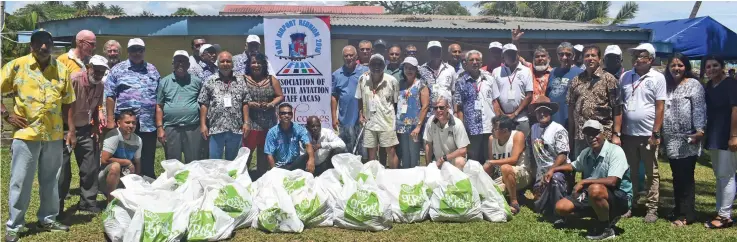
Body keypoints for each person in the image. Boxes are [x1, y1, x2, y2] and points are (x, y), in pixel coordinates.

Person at [2, 29, 74, 240]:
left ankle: (48, 218)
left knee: (51, 179)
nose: (44, 46)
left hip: (53, 134)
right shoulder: (17, 66)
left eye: (47, 43)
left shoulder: (61, 69)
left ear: (52, 45)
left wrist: (70, 131)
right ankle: (14, 225)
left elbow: (69, 102)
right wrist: (6, 115)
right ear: (31, 45)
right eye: (39, 42)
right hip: (26, 134)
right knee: (21, 181)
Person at [551, 120, 632, 240]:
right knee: (561, 207)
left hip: (619, 196)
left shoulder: (615, 151)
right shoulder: (586, 152)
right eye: (588, 134)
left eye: (595, 133)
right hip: (594, 193)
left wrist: (583, 182)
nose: (592, 137)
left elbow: (613, 181)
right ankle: (599, 215)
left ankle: (606, 228)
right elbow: (573, 166)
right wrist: (552, 169)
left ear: (603, 134)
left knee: (594, 188)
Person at [55, 30, 102, 215]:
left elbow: (97, 106)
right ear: (80, 42)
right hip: (64, 128)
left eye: (101, 71)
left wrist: (96, 126)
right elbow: (63, 102)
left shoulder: (98, 81)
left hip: (85, 127)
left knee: (90, 166)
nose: (94, 46)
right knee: (62, 171)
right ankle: (56, 208)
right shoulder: (65, 65)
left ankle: (88, 203)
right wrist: (70, 130)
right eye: (91, 43)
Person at [619, 43, 666, 222]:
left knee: (651, 172)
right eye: (635, 55)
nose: (637, 58)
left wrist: (656, 133)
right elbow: (621, 105)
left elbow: (660, 107)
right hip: (628, 134)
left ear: (651, 59)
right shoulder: (625, 77)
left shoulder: (657, 78)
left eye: (642, 55)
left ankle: (652, 208)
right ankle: (631, 205)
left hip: (648, 134)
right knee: (630, 172)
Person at [105, 38, 160, 179]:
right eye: (133, 50)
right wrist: (110, 120)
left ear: (144, 51)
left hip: (148, 124)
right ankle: (124, 186)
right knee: (125, 157)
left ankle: (147, 183)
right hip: (126, 124)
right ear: (128, 52)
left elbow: (159, 96)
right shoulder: (118, 70)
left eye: (140, 50)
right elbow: (110, 96)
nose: (137, 53)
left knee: (147, 157)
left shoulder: (152, 70)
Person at [662, 53, 705, 226]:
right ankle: (679, 209)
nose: (676, 68)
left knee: (686, 177)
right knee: (676, 175)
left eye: (680, 65)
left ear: (686, 67)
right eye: (673, 65)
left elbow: (700, 108)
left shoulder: (693, 85)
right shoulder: (667, 86)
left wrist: (700, 131)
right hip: (671, 138)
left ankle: (687, 215)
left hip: (689, 138)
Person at [566, 45, 622, 159]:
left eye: (593, 55)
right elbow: (571, 108)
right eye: (587, 56)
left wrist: (616, 134)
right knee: (582, 166)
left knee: (601, 167)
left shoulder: (609, 80)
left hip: (602, 135)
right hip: (581, 135)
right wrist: (571, 134)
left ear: (599, 59)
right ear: (582, 59)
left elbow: (617, 109)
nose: (590, 58)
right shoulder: (576, 81)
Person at [703, 55, 737, 229]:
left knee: (727, 175)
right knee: (720, 175)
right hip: (714, 136)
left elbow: (735, 109)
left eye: (715, 65)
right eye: (708, 67)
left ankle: (725, 216)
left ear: (722, 66)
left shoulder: (731, 84)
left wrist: (734, 136)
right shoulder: (709, 86)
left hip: (727, 136)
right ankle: (720, 210)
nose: (711, 69)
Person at [198, 51, 252, 161]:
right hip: (216, 127)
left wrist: (246, 122)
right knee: (215, 161)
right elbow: (204, 104)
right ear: (218, 64)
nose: (226, 63)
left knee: (232, 161)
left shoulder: (240, 81)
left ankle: (230, 178)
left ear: (232, 64)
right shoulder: (210, 81)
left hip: (235, 128)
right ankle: (216, 179)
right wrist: (203, 125)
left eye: (228, 61)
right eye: (222, 61)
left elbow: (245, 102)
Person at [155, 50, 204, 164]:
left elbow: (203, 105)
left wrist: (203, 125)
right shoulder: (164, 82)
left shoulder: (196, 82)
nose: (180, 64)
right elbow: (159, 106)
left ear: (188, 64)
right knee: (173, 162)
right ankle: (174, 182)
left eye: (183, 61)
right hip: (171, 128)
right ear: (173, 63)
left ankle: (192, 182)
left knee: (193, 162)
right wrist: (160, 128)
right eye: (177, 61)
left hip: (193, 127)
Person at [528, 96, 570, 220]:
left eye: (545, 111)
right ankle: (548, 203)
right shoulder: (534, 128)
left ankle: (560, 216)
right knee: (540, 208)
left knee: (555, 180)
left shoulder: (558, 129)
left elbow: (563, 155)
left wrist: (551, 171)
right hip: (541, 175)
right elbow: (531, 151)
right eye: (539, 111)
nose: (542, 114)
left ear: (550, 112)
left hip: (559, 171)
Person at [453, 50, 499, 162]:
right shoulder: (460, 81)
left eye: (477, 60)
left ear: (481, 62)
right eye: (471, 60)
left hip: (489, 125)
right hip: (472, 128)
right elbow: (459, 108)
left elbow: (495, 102)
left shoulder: (489, 78)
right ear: (466, 63)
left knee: (489, 158)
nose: (475, 62)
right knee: (473, 160)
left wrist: (498, 123)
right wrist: (462, 128)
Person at [356, 54, 400, 168]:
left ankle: (393, 176)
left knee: (391, 152)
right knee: (371, 154)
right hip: (369, 122)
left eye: (379, 64)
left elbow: (396, 103)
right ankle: (374, 179)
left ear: (384, 66)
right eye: (373, 64)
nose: (376, 66)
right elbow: (360, 99)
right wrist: (361, 115)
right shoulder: (362, 79)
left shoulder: (392, 81)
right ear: (369, 65)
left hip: (387, 122)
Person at [244, 53, 283, 179]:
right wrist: (250, 104)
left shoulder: (271, 79)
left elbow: (280, 96)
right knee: (247, 152)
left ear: (264, 65)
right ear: (249, 65)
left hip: (268, 122)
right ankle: (245, 176)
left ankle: (262, 177)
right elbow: (238, 98)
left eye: (259, 63)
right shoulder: (242, 79)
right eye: (253, 62)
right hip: (250, 121)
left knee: (264, 151)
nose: (256, 65)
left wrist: (271, 104)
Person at [484, 115, 531, 215]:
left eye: (495, 128)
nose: (492, 130)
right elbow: (491, 163)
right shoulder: (492, 139)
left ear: (505, 131)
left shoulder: (518, 135)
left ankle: (514, 202)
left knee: (505, 167)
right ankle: (507, 192)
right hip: (502, 175)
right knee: (490, 193)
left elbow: (514, 160)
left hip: (521, 173)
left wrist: (491, 162)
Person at [331, 45, 369, 154]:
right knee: (346, 148)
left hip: (362, 117)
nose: (349, 58)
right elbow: (334, 96)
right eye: (346, 56)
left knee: (362, 149)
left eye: (351, 55)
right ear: (343, 57)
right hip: (345, 118)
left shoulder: (365, 72)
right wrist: (334, 117)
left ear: (356, 56)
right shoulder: (336, 74)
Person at [98, 110, 141, 204]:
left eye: (134, 123)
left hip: (124, 176)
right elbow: (104, 159)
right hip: (105, 178)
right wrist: (127, 162)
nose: (131, 125)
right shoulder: (114, 135)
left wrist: (136, 181)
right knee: (115, 166)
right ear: (118, 123)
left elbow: (137, 163)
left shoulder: (138, 140)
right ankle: (110, 202)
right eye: (127, 122)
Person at [491, 43, 533, 137]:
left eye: (513, 54)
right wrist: (502, 115)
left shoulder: (526, 71)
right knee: (505, 148)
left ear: (517, 55)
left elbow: (529, 95)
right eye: (508, 54)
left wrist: (515, 114)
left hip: (521, 119)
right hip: (503, 120)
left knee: (523, 148)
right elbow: (494, 98)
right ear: (503, 56)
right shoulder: (496, 72)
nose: (512, 56)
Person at [395, 57, 430, 168]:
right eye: (406, 68)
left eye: (412, 68)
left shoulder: (421, 85)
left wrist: (419, 126)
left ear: (416, 70)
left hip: (415, 126)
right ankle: (406, 178)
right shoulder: (400, 84)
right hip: (401, 125)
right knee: (405, 153)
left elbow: (425, 106)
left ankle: (415, 178)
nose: (409, 71)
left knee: (414, 153)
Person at [264, 103, 315, 172]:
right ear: (278, 115)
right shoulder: (272, 132)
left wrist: (311, 160)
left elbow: (307, 144)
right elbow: (269, 154)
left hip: (295, 164)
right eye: (283, 113)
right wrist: (274, 172)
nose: (286, 115)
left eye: (289, 113)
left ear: (292, 115)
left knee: (308, 155)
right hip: (280, 166)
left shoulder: (299, 128)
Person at [424, 98, 470, 169]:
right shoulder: (431, 121)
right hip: (437, 162)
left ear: (448, 108)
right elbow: (428, 144)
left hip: (452, 162)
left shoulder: (457, 124)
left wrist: (444, 158)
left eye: (441, 107)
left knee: (460, 161)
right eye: (435, 108)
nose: (438, 110)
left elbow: (463, 150)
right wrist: (428, 166)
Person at [546, 42, 584, 127]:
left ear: (573, 56)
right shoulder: (553, 72)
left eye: (568, 54)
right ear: (557, 55)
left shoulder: (580, 73)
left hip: (570, 121)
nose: (564, 57)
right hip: (553, 120)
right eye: (561, 54)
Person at [421, 40, 456, 116]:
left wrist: (455, 112)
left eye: (437, 50)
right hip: (429, 113)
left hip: (447, 112)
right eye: (432, 50)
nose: (435, 53)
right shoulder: (422, 70)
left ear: (441, 52)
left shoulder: (450, 69)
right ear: (428, 52)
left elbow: (453, 92)